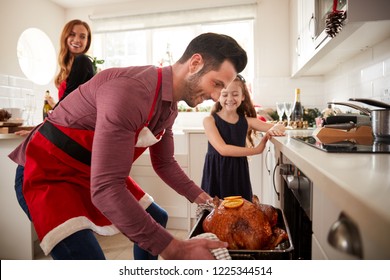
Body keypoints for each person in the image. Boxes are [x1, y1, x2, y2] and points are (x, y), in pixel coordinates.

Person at [9, 32, 248, 260]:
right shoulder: (130, 91)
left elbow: (164, 164)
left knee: (157, 216)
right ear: (195, 63)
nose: (217, 97)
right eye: (216, 84)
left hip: (89, 172)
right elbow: (106, 188)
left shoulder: (170, 108)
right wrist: (175, 249)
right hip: (47, 171)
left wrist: (208, 201)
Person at [14, 19, 168, 260]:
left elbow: (67, 107)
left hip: (75, 161)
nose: (77, 39)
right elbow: (67, 112)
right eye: (73, 34)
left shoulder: (83, 62)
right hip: (61, 160)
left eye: (83, 36)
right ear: (64, 37)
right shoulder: (70, 65)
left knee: (155, 216)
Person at [201, 74, 285, 201]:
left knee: (240, 212)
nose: (230, 98)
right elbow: (223, 149)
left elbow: (281, 127)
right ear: (219, 96)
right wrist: (257, 150)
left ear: (243, 97)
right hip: (216, 173)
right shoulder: (209, 120)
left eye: (235, 94)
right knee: (215, 213)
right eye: (224, 94)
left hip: (238, 173)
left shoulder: (247, 121)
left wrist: (274, 128)